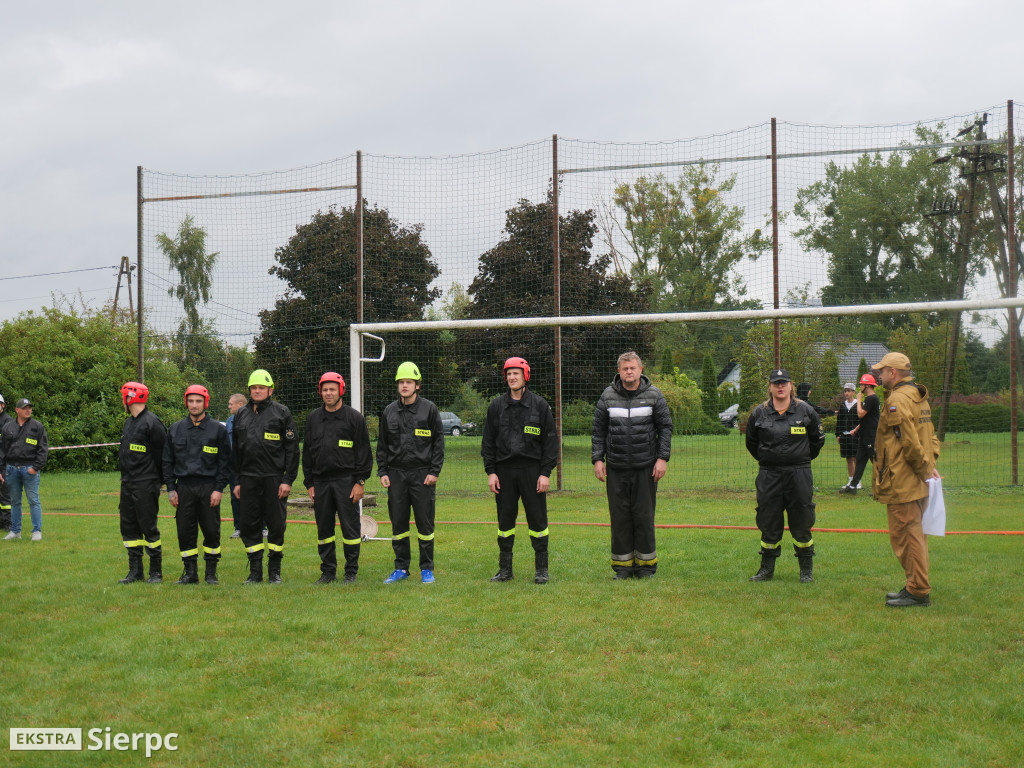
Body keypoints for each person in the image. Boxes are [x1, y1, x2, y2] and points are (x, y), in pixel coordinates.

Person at [591, 351, 672, 579]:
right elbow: (598, 431)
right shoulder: (607, 396)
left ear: (640, 370)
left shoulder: (654, 395)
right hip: (616, 468)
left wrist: (662, 458)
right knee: (620, 518)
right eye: (625, 368)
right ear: (619, 371)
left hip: (646, 467)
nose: (629, 372)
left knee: (644, 517)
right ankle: (623, 568)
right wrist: (598, 459)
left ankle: (646, 568)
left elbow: (665, 428)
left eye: (632, 368)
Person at [870, 352, 941, 608]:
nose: (880, 374)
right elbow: (931, 436)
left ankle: (918, 590)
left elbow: (909, 442)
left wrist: (924, 470)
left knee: (907, 537)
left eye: (883, 370)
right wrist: (930, 466)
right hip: (917, 478)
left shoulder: (898, 399)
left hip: (903, 479)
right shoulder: (918, 396)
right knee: (915, 535)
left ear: (894, 372)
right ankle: (914, 584)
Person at [481, 357, 558, 584]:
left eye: (516, 373)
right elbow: (488, 443)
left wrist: (545, 473)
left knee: (538, 522)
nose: (512, 377)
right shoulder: (496, 406)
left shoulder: (540, 405)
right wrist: (491, 472)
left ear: (526, 375)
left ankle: (541, 570)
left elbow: (550, 443)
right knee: (505, 523)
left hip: (532, 472)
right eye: (509, 374)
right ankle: (505, 570)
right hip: (504, 473)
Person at [745, 369, 825, 583]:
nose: (780, 387)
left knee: (802, 519)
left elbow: (817, 442)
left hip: (799, 474)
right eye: (776, 383)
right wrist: (770, 460)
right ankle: (766, 569)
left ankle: (806, 570)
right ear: (770, 387)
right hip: (769, 475)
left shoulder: (805, 411)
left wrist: (799, 459)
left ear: (791, 386)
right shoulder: (759, 414)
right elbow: (752, 444)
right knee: (768, 519)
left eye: (784, 383)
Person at [376, 361, 444, 584]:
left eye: (409, 382)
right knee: (398, 524)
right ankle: (401, 568)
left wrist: (434, 471)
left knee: (425, 524)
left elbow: (438, 444)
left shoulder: (429, 409)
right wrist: (382, 471)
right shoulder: (389, 411)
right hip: (396, 475)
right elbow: (382, 445)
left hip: (422, 474)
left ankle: (427, 569)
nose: (405, 386)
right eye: (401, 382)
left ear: (418, 385)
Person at [302, 372, 372, 585]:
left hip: (347, 482)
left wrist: (359, 482)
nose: (328, 393)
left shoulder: (354, 418)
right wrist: (310, 483)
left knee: (350, 530)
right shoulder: (314, 418)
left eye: (332, 389)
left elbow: (364, 453)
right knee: (324, 530)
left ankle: (350, 572)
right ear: (320, 392)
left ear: (341, 390)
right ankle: (328, 572)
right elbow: (306, 453)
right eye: (325, 389)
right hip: (321, 483)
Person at [231, 369, 299, 585]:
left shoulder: (282, 413)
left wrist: (287, 480)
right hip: (248, 479)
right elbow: (235, 452)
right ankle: (255, 572)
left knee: (276, 525)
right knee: (249, 525)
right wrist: (237, 481)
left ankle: (274, 571)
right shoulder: (241, 414)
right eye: (254, 387)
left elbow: (292, 449)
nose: (257, 390)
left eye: (261, 387)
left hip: (274, 479)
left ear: (270, 389)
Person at [163, 385, 232, 585]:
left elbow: (225, 463)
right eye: (191, 401)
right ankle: (189, 573)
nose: (194, 405)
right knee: (185, 531)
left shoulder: (217, 430)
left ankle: (211, 573)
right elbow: (167, 461)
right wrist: (170, 488)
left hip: (209, 488)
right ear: (186, 402)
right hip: (183, 487)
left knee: (211, 530)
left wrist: (219, 489)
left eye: (198, 401)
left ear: (205, 403)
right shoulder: (175, 429)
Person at [115, 383, 166, 582]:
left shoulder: (152, 423)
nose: (122, 401)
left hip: (146, 484)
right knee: (128, 527)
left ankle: (156, 572)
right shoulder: (129, 422)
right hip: (127, 483)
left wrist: (160, 482)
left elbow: (163, 456)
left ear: (130, 398)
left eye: (122, 397)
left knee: (148, 526)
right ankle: (135, 572)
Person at [2, 398, 49, 542]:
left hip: (30, 469)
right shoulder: (8, 427)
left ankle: (36, 531)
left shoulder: (37, 427)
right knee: (15, 501)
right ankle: (15, 531)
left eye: (29, 407)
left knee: (33, 500)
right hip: (11, 469)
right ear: (17, 410)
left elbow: (43, 449)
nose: (28, 410)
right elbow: (2, 451)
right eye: (24, 408)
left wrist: (36, 468)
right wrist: (1, 470)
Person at [840, 373, 880, 494]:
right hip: (864, 435)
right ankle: (853, 487)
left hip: (870, 436)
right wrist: (856, 429)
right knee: (860, 461)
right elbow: (866, 419)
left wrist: (858, 400)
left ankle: (882, 487)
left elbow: (860, 414)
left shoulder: (871, 399)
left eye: (861, 384)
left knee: (876, 462)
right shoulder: (871, 399)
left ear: (867, 385)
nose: (860, 386)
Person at [225, 393, 247, 539]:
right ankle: (238, 528)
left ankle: (262, 528)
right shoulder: (229, 421)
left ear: (240, 404)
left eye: (231, 404)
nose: (229, 406)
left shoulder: (254, 418)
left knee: (256, 497)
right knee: (235, 497)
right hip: (233, 468)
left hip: (249, 467)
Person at [836, 383, 859, 485]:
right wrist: (838, 434)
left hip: (855, 436)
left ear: (854, 392)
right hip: (844, 436)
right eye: (845, 391)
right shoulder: (842, 406)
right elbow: (839, 421)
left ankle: (857, 482)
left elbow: (861, 421)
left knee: (855, 458)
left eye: (849, 391)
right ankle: (851, 481)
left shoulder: (858, 405)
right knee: (848, 458)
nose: (846, 393)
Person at [0, 394, 12, 532]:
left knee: (5, 495)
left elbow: (7, 447)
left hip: (4, 464)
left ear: (2, 405)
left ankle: (7, 522)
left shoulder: (7, 422)